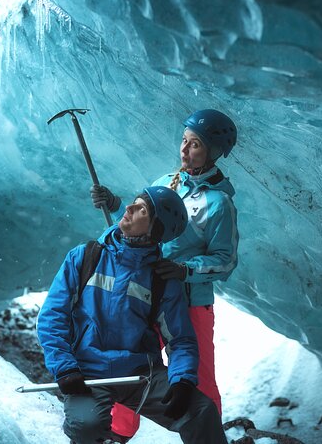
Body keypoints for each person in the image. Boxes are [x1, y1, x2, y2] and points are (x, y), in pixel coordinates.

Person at [91, 109, 239, 441]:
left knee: (197, 378)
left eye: (196, 145)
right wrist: (114, 203)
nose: (185, 150)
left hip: (190, 303)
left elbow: (225, 261)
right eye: (185, 141)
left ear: (213, 152)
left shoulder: (219, 204)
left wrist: (184, 271)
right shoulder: (164, 182)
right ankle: (117, 433)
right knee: (133, 368)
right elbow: (139, 220)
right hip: (145, 294)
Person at [37, 186, 228, 444]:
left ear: (155, 230)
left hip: (140, 374)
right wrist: (65, 368)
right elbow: (52, 317)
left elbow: (180, 340)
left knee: (201, 411)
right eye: (133, 203)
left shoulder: (161, 280)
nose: (128, 209)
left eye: (142, 209)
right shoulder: (86, 257)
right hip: (87, 373)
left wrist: (182, 380)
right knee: (87, 426)